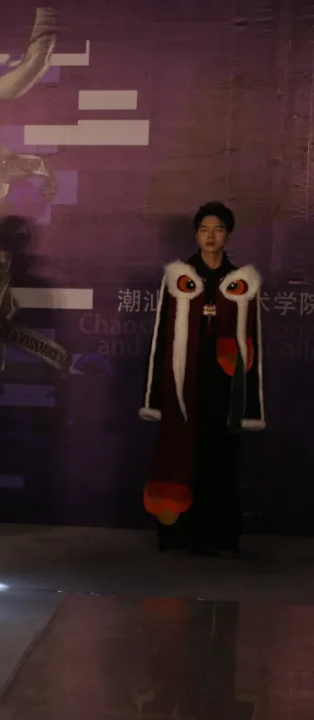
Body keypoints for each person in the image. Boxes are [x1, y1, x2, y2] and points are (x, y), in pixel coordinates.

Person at [140, 201, 265, 556]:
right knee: (180, 458)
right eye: (204, 229)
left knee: (221, 462)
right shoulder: (178, 279)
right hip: (185, 387)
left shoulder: (242, 282)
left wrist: (250, 405)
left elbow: (253, 345)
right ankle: (177, 535)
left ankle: (219, 538)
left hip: (224, 388)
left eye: (218, 229)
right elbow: (161, 339)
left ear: (228, 234)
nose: (211, 236)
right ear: (196, 234)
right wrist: (154, 398)